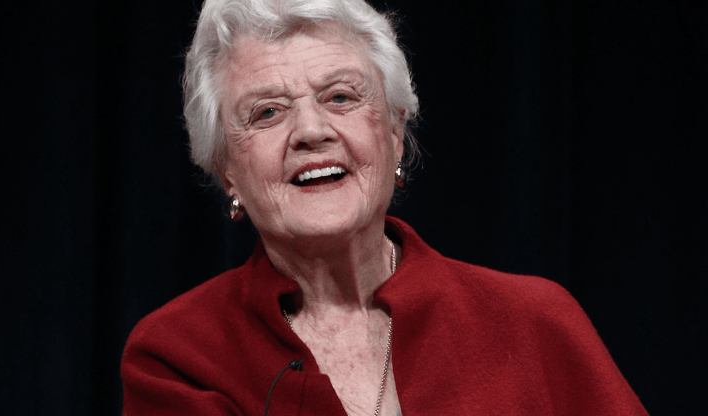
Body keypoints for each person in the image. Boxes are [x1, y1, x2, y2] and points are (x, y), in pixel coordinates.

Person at [121, 0, 649, 414]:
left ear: (395, 133)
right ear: (227, 169)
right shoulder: (178, 355)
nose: (311, 131)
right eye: (267, 112)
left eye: (341, 98)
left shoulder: (536, 322)